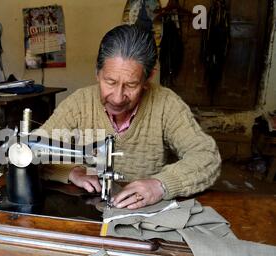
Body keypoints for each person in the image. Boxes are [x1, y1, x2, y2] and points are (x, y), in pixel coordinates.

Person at [39, 24, 221, 210]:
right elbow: (34, 149)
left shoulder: (167, 104)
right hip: (90, 209)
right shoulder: (78, 104)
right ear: (97, 72)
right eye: (110, 82)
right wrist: (71, 172)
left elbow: (206, 157)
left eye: (131, 85)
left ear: (148, 78)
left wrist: (160, 185)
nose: (117, 98)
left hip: (145, 212)